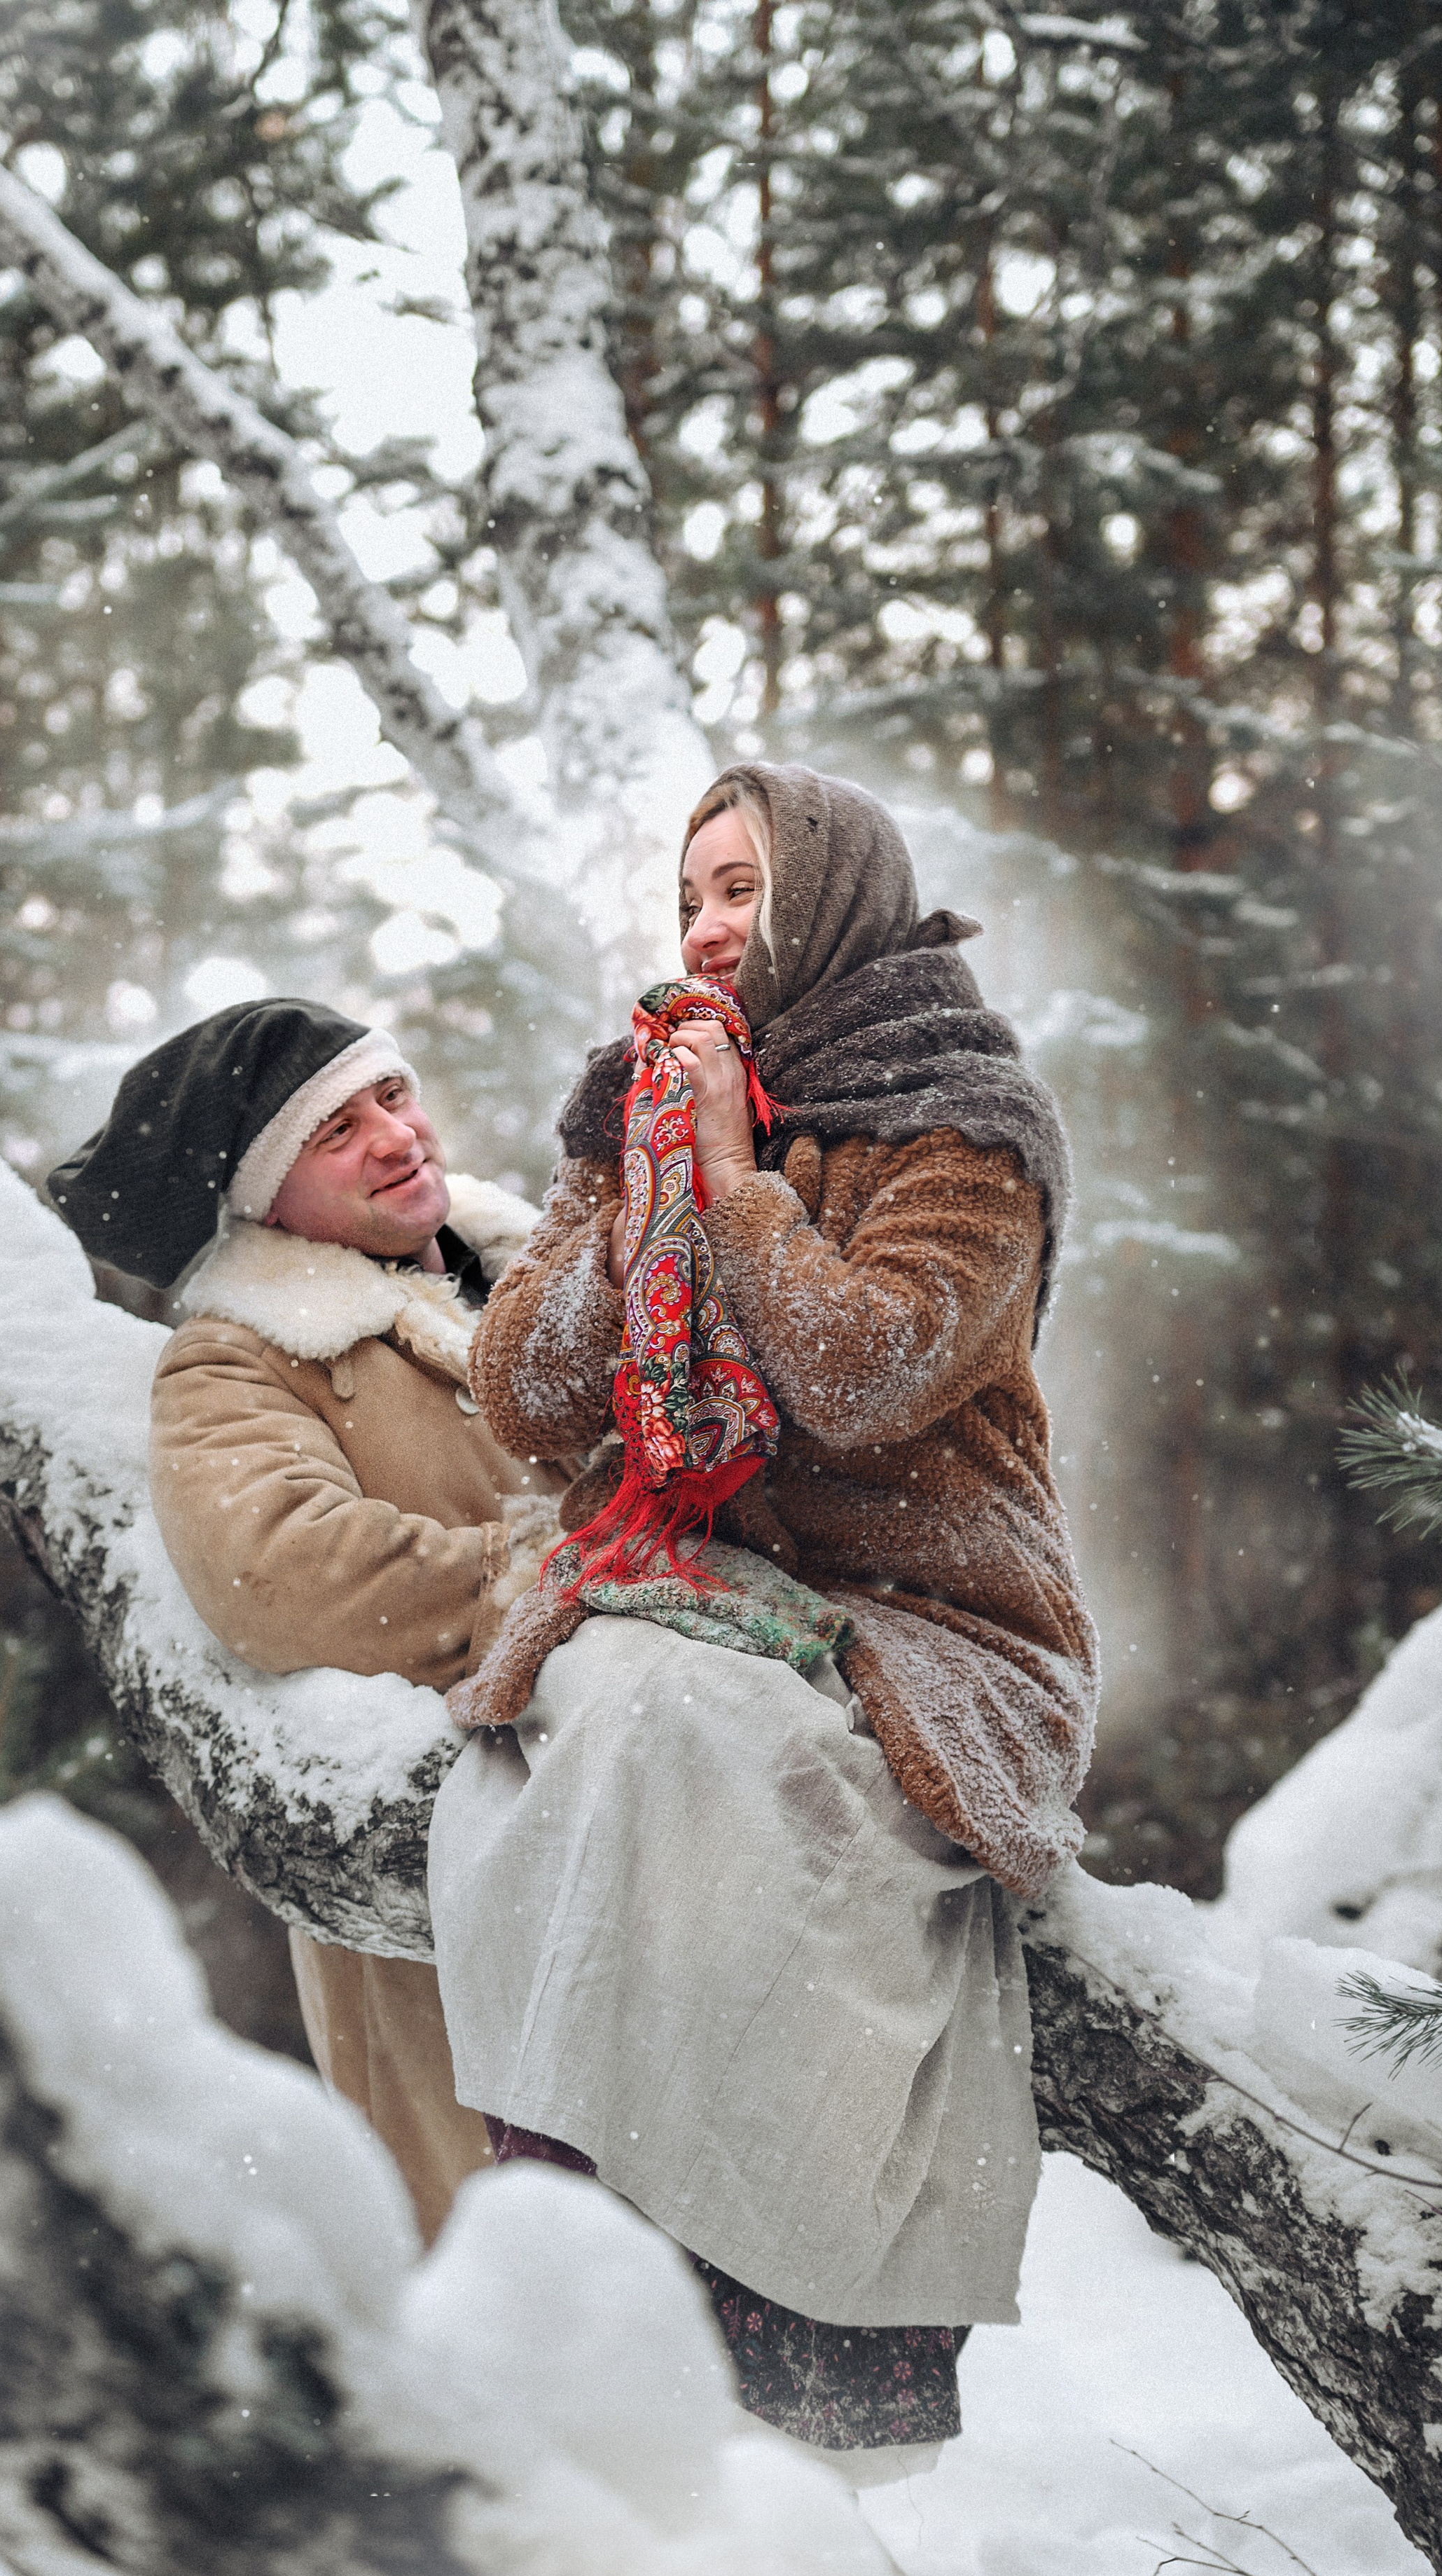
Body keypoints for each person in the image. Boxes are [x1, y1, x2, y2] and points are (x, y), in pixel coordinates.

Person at [431, 761, 1099, 2477]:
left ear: (836, 897)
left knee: (708, 1757)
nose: (709, 930)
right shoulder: (632, 1100)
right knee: (594, 1750)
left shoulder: (959, 1117)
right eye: (689, 899)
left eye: (743, 891)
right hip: (684, 1587)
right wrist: (646, 1172)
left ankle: (786, 2330)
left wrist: (731, 1178)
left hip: (928, 1613)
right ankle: (589, 2265)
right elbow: (522, 1394)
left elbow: (862, 1370)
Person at [46, 998, 566, 2243]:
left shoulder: (544, 1269)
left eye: (392, 1096)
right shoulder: (240, 1357)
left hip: (658, 1820)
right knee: (526, 2278)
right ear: (265, 1196)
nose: (396, 1136)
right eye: (337, 1130)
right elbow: (278, 1574)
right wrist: (565, 1578)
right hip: (445, 1882)